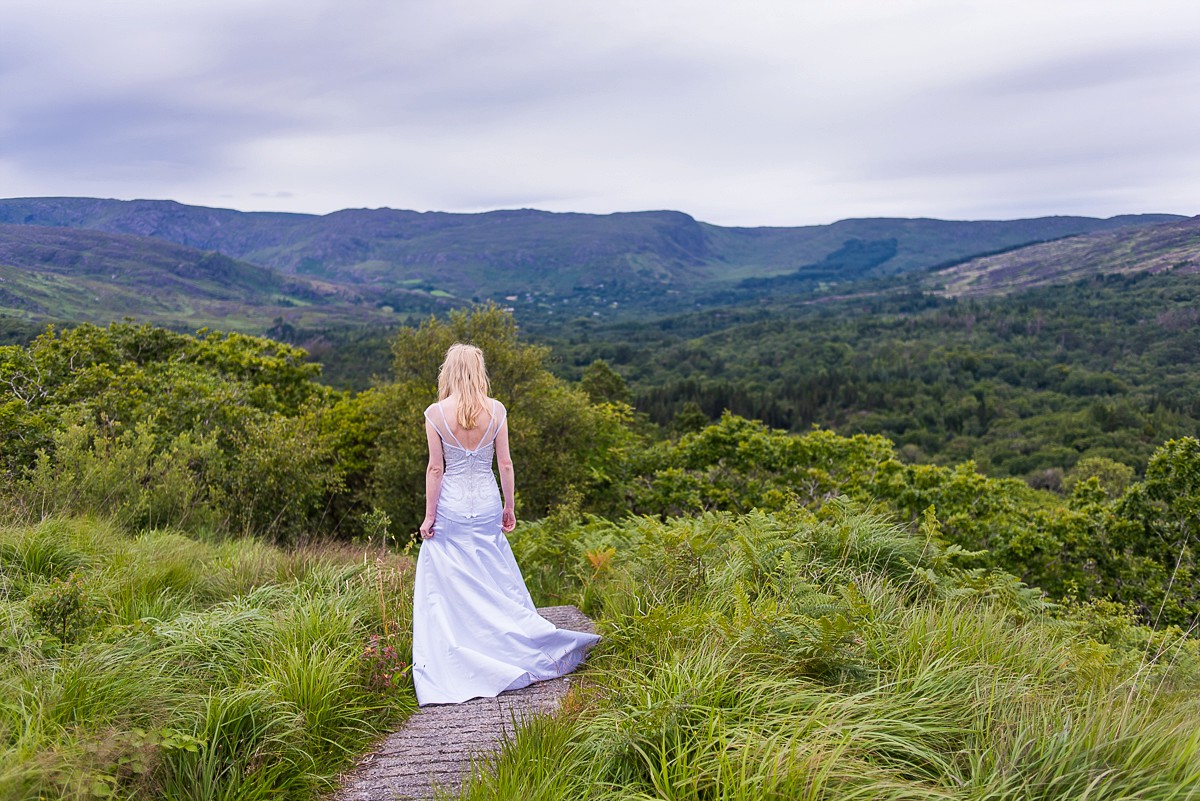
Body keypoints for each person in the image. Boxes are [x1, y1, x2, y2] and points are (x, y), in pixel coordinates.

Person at [410, 343, 600, 706]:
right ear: (479, 370)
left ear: (448, 372)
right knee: (492, 570)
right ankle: (513, 641)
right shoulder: (496, 411)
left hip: (451, 504)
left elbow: (436, 469)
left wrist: (429, 516)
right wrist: (509, 507)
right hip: (485, 502)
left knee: (449, 574)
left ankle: (462, 648)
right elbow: (506, 464)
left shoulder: (435, 414)